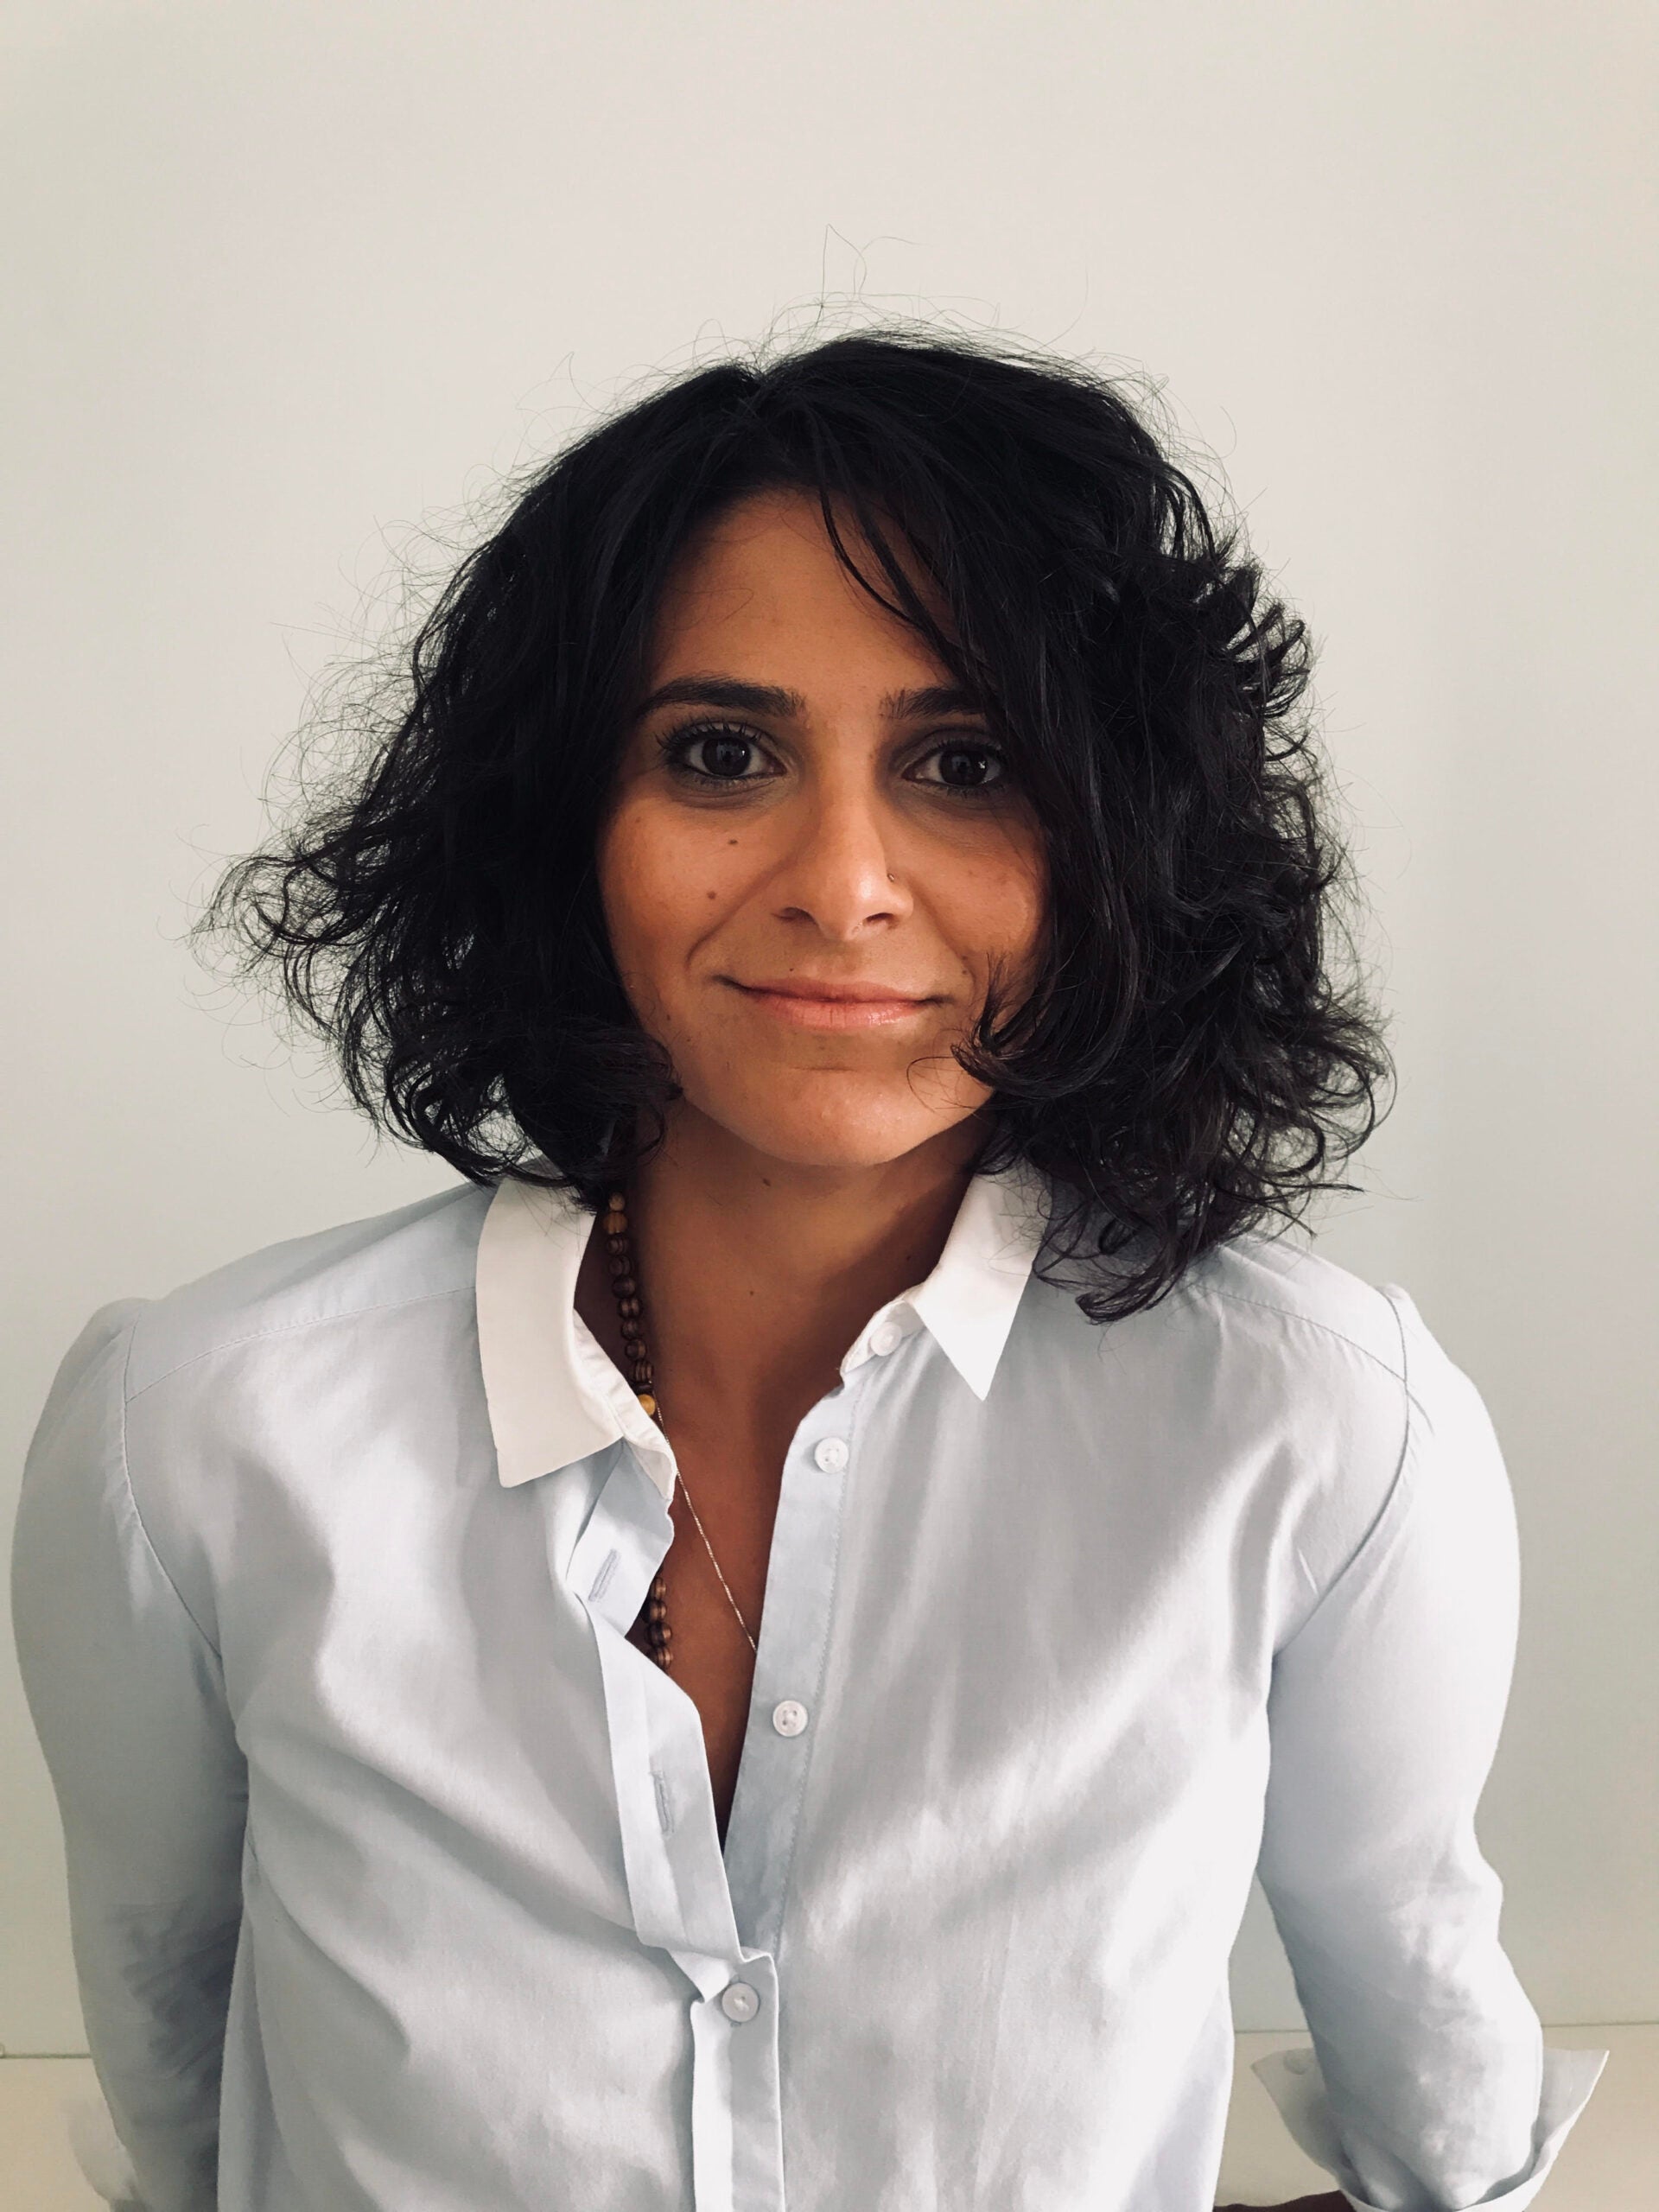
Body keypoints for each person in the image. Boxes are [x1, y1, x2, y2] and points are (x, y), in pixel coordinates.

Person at [12, 327, 1604, 2212]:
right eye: (721, 753)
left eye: (965, 760)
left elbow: (1436, 2087)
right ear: (560, 826)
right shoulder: (190, 1432)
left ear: (1117, 838)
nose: (843, 878)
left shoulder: (1318, 1430)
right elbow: (179, 2070)